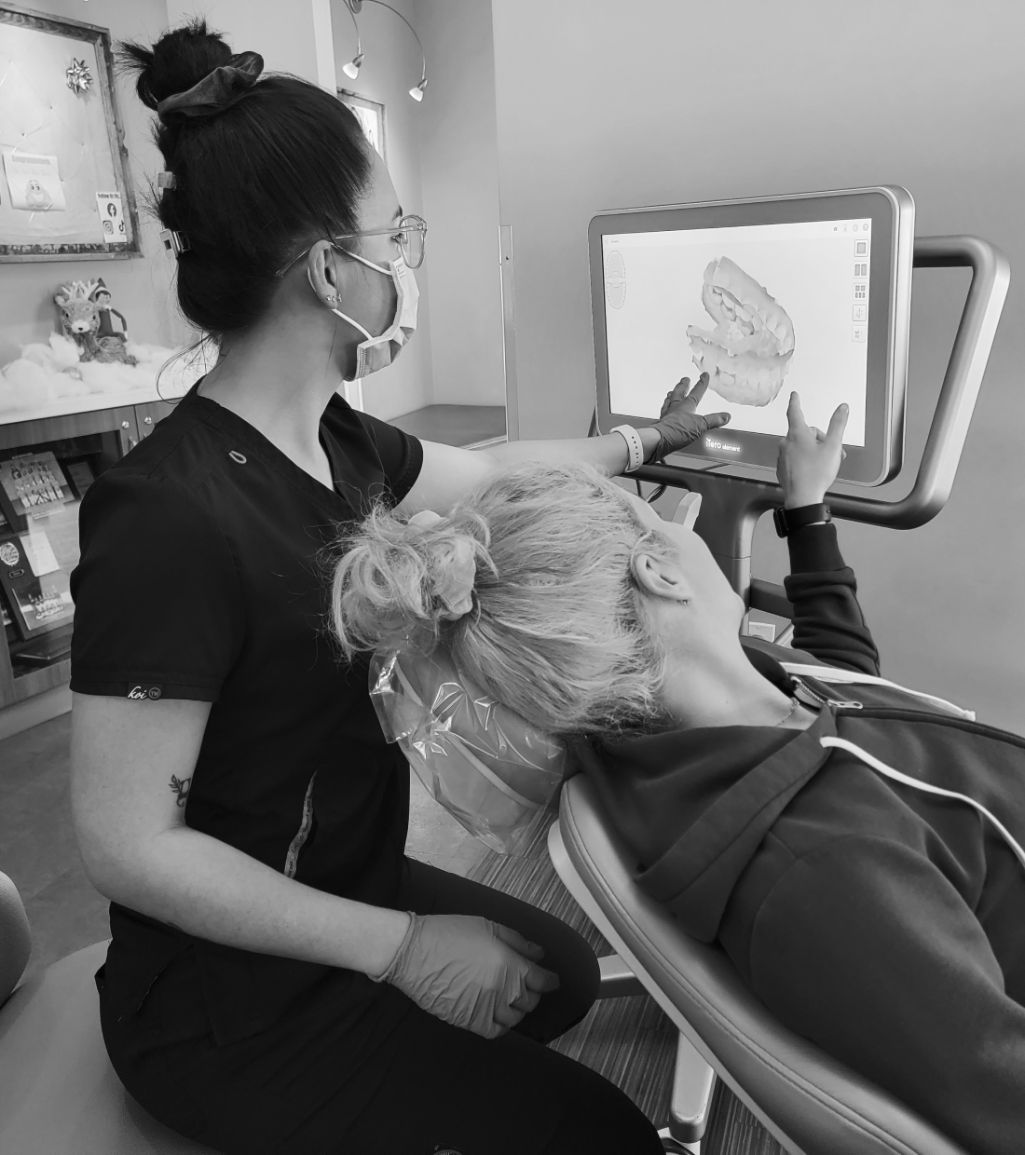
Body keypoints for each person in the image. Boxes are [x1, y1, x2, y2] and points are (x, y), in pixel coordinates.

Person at [67, 19, 729, 1155]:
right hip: (222, 1004)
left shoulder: (335, 438)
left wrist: (640, 443)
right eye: (396, 236)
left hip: (340, 864)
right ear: (330, 269)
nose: (404, 264)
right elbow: (128, 846)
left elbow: (499, 467)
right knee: (597, 1132)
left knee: (557, 980)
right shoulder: (166, 516)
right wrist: (398, 948)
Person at [334, 393, 1025, 1155]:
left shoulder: (660, 725)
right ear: (660, 570)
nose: (676, 529)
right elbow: (997, 1094)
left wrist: (807, 509)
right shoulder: (823, 867)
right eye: (663, 525)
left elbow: (841, 685)